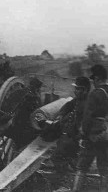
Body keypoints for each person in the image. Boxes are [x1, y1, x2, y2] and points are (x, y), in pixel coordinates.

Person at [47, 77, 90, 190]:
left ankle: (63, 182)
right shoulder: (78, 100)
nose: (75, 91)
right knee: (61, 149)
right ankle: (65, 174)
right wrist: (61, 115)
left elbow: (85, 126)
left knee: (56, 156)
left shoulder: (87, 104)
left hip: (76, 139)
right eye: (75, 88)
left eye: (78, 89)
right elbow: (67, 106)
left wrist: (77, 136)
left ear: (85, 90)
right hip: (70, 136)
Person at [71, 64, 108, 192]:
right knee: (104, 169)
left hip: (92, 136)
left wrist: (83, 135)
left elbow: (87, 118)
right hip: (106, 135)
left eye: (93, 80)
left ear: (97, 78)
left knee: (82, 166)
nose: (93, 83)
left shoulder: (95, 94)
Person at [0, 76, 43, 149]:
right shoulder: (34, 97)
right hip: (21, 121)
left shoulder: (21, 92)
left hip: (14, 117)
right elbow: (35, 110)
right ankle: (17, 143)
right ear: (37, 88)